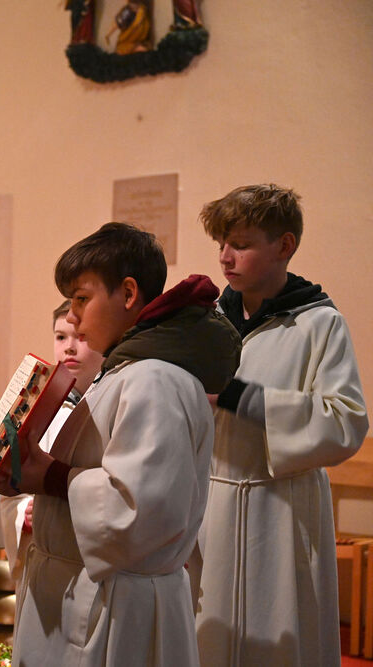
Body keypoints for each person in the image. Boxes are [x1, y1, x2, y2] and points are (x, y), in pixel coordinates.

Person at [0, 222, 241, 666]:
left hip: (115, 610)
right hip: (85, 590)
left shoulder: (155, 379)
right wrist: (24, 470)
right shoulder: (128, 370)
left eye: (81, 299)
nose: (72, 317)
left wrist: (50, 477)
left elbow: (136, 510)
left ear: (127, 293)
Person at [194, 185, 368, 667]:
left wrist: (243, 398)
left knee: (279, 640)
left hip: (281, 511)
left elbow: (345, 421)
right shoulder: (209, 321)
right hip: (212, 504)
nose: (225, 257)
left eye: (241, 245)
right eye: (221, 245)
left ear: (285, 245)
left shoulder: (319, 324)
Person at [0, 299, 103, 585]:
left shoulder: (109, 402)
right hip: (43, 551)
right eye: (60, 337)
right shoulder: (34, 404)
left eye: (80, 337)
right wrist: (23, 514)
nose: (69, 347)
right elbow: (8, 485)